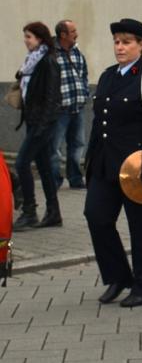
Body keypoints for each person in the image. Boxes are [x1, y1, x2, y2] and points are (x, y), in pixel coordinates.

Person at [84, 18, 142, 307]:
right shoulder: (109, 76)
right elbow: (100, 124)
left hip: (139, 168)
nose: (120, 47)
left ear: (140, 45)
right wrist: (90, 163)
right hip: (106, 166)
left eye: (126, 42)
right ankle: (119, 276)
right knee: (96, 217)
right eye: (117, 42)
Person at [13, 22, 61, 231]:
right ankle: (54, 213)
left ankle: (29, 210)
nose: (26, 41)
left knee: (22, 163)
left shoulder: (47, 62)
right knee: (44, 168)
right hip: (35, 121)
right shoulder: (32, 61)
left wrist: (42, 126)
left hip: (43, 124)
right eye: (25, 36)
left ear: (40, 39)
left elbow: (52, 97)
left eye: (29, 37)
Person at [50, 20, 89, 191]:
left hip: (77, 107)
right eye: (73, 31)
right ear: (63, 35)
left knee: (78, 144)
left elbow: (84, 74)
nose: (76, 33)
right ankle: (54, 180)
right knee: (54, 147)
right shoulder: (50, 54)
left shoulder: (77, 52)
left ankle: (75, 178)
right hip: (59, 110)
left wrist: (85, 92)